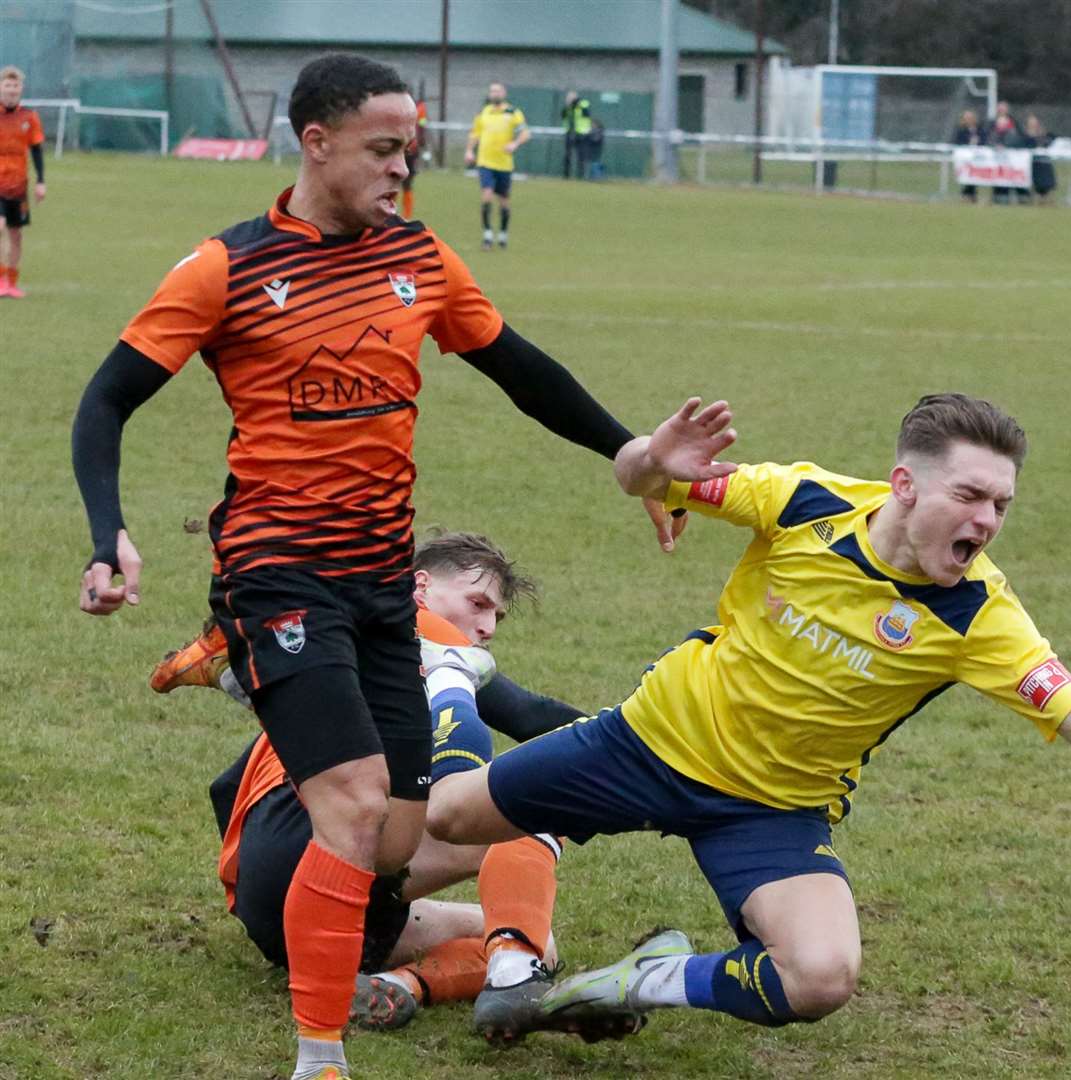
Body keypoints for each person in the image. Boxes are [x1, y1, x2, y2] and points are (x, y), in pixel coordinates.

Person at [71, 52, 721, 1080]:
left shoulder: (417, 256)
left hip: (383, 585)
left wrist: (632, 454)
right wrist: (109, 530)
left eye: (411, 147)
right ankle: (319, 1056)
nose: (402, 167)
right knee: (355, 802)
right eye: (383, 148)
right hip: (276, 576)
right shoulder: (225, 268)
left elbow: (520, 368)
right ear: (315, 142)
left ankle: (403, 960)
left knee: (399, 836)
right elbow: (105, 401)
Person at [419, 393, 1071, 1039]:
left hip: (770, 809)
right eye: (967, 496)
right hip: (645, 743)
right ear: (903, 485)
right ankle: (453, 676)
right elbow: (639, 479)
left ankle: (635, 981)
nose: (986, 520)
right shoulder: (804, 500)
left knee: (820, 976)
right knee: (450, 816)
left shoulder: (977, 614)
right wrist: (653, 462)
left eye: (1000, 504)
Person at [206, 530, 596, 1037]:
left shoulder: (346, 634)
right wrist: (640, 749)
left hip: (275, 901)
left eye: (496, 617)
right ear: (420, 586)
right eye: (478, 604)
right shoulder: (411, 631)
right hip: (319, 855)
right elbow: (532, 715)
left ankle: (396, 986)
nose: (487, 627)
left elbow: (224, 787)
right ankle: (504, 977)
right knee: (531, 803)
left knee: (537, 944)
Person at [0, 65, 47, 298]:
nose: (11, 89)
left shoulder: (29, 117)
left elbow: (37, 150)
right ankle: (0, 279)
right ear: (0, 88)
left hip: (18, 185)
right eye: (7, 85)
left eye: (15, 85)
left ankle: (11, 281)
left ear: (21, 89)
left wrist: (41, 181)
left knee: (16, 234)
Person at [465, 82, 529, 249]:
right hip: (485, 162)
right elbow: (475, 133)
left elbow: (525, 133)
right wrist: (470, 150)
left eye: (498, 91)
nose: (495, 93)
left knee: (504, 201)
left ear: (504, 93)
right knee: (486, 195)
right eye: (492, 91)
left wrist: (515, 144)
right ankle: (487, 235)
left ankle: (503, 234)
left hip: (504, 164)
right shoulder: (483, 112)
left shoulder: (513, 112)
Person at [985, 101, 1020, 205]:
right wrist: (995, 145)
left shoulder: (1013, 123)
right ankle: (996, 198)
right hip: (995, 156)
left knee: (1007, 177)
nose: (1001, 111)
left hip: (1009, 156)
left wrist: (1007, 145)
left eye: (1003, 109)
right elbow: (988, 137)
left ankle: (1006, 199)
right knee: (996, 176)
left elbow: (1017, 137)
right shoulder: (992, 123)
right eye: (1000, 109)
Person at [399, 99, 428, 218]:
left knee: (405, 183)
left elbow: (422, 127)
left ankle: (406, 215)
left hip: (409, 150)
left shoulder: (420, 108)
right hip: (405, 149)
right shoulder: (419, 108)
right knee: (402, 183)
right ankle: (403, 215)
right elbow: (422, 127)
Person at [1020, 113, 1057, 205]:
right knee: (1034, 184)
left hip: (1044, 163)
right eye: (1031, 123)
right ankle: (1034, 202)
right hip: (1032, 163)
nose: (1033, 125)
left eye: (1034, 123)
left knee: (1046, 185)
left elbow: (1049, 141)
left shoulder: (1044, 134)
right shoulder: (1025, 135)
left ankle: (1046, 202)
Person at [952, 108, 984, 203]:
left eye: (970, 118)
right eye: (966, 118)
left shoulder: (980, 130)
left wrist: (978, 142)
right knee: (967, 178)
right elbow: (957, 142)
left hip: (977, 159)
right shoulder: (960, 130)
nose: (968, 120)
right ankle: (966, 197)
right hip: (965, 159)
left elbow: (985, 140)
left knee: (974, 178)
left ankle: (971, 197)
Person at [561, 90, 592, 180]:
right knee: (568, 155)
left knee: (581, 155)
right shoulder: (568, 107)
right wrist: (567, 105)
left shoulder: (583, 104)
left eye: (571, 97)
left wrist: (575, 103)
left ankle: (582, 176)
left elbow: (586, 113)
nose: (570, 99)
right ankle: (566, 175)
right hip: (570, 132)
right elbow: (563, 115)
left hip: (581, 133)